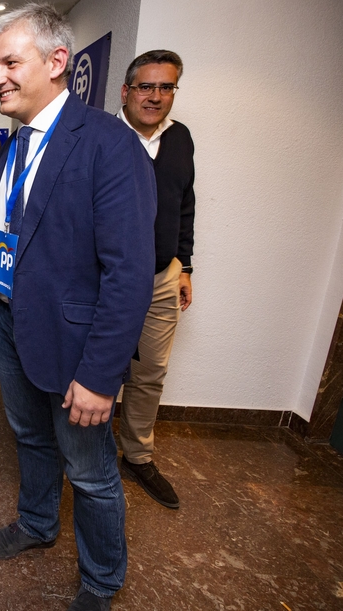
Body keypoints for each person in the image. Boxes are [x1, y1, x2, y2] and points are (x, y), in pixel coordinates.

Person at [0, 4, 156, 611]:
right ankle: (36, 523)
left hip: (73, 343)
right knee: (30, 438)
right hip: (9, 325)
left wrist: (101, 375)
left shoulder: (107, 143)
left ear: (58, 63)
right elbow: (3, 236)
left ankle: (102, 580)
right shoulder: (13, 145)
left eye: (10, 62)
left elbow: (129, 273)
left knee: (90, 470)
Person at [116, 50, 195, 510]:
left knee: (149, 374)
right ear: (126, 91)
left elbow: (186, 204)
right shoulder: (100, 137)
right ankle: (84, 452)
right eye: (146, 86)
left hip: (162, 277)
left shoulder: (181, 139)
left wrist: (183, 266)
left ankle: (138, 456)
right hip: (106, 278)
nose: (156, 96)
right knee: (97, 368)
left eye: (167, 87)